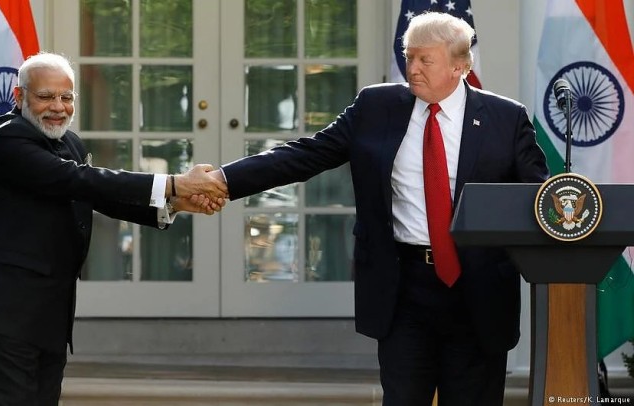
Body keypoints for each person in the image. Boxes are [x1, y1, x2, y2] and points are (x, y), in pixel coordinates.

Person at [204, 12, 549, 405]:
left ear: (460, 66)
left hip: (479, 291)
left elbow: (536, 198)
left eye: (425, 60)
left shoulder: (506, 118)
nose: (412, 68)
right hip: (404, 287)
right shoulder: (376, 107)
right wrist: (224, 180)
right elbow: (306, 155)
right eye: (409, 56)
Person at [0, 52, 227, 406]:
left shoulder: (70, 142)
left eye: (66, 97)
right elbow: (77, 179)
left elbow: (94, 194)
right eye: (45, 96)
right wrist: (174, 183)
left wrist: (175, 203)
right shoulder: (6, 138)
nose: (58, 107)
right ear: (19, 96)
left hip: (45, 316)